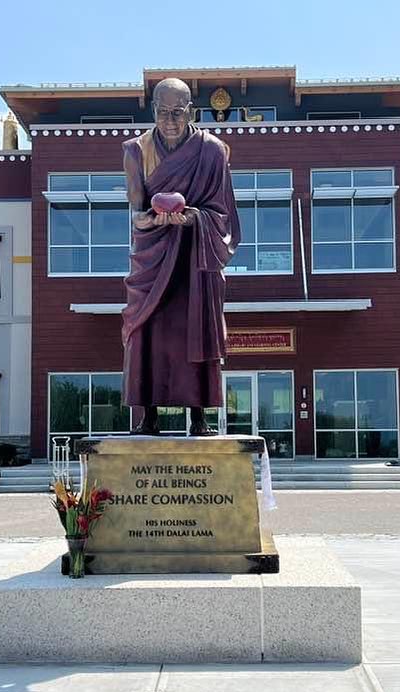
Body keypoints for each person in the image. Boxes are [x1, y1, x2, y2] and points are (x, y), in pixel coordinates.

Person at [121, 78, 241, 436]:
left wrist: (193, 217)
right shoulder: (135, 150)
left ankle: (199, 417)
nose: (170, 120)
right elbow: (137, 213)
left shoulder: (213, 151)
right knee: (148, 331)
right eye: (162, 112)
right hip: (153, 257)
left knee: (196, 328)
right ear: (153, 110)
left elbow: (221, 213)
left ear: (191, 111)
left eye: (178, 112)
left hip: (195, 258)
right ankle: (150, 416)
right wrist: (152, 219)